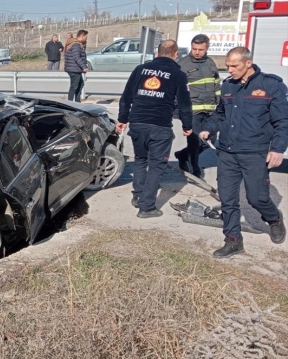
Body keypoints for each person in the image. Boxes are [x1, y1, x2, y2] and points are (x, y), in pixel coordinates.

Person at [199, 47, 287, 258]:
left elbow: (283, 121)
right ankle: (233, 240)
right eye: (227, 65)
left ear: (248, 63)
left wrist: (277, 149)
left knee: (257, 198)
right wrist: (209, 128)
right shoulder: (228, 85)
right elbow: (220, 114)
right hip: (227, 152)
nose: (229, 70)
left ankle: (274, 218)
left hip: (255, 152)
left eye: (234, 66)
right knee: (228, 199)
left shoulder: (271, 85)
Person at [116, 40, 193, 218]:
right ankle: (147, 206)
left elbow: (126, 96)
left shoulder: (140, 70)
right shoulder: (178, 74)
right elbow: (185, 105)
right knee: (157, 166)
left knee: (141, 160)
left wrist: (122, 119)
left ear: (157, 53)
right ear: (176, 55)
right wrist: (187, 126)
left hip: (137, 123)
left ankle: (137, 196)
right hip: (160, 125)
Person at [175, 34, 221, 177]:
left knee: (210, 139)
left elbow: (216, 84)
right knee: (194, 140)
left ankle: (183, 155)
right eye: (194, 48)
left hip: (210, 109)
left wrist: (219, 103)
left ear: (206, 48)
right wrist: (177, 109)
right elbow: (176, 88)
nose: (196, 52)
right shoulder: (183, 64)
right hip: (192, 110)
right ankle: (195, 168)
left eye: (200, 49)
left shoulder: (211, 63)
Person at [64, 29, 89, 102]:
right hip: (74, 69)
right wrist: (84, 67)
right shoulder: (76, 45)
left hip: (75, 68)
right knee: (74, 86)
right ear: (82, 36)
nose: (86, 39)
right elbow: (77, 57)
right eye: (86, 37)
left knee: (80, 84)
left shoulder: (76, 44)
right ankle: (70, 103)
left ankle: (77, 101)